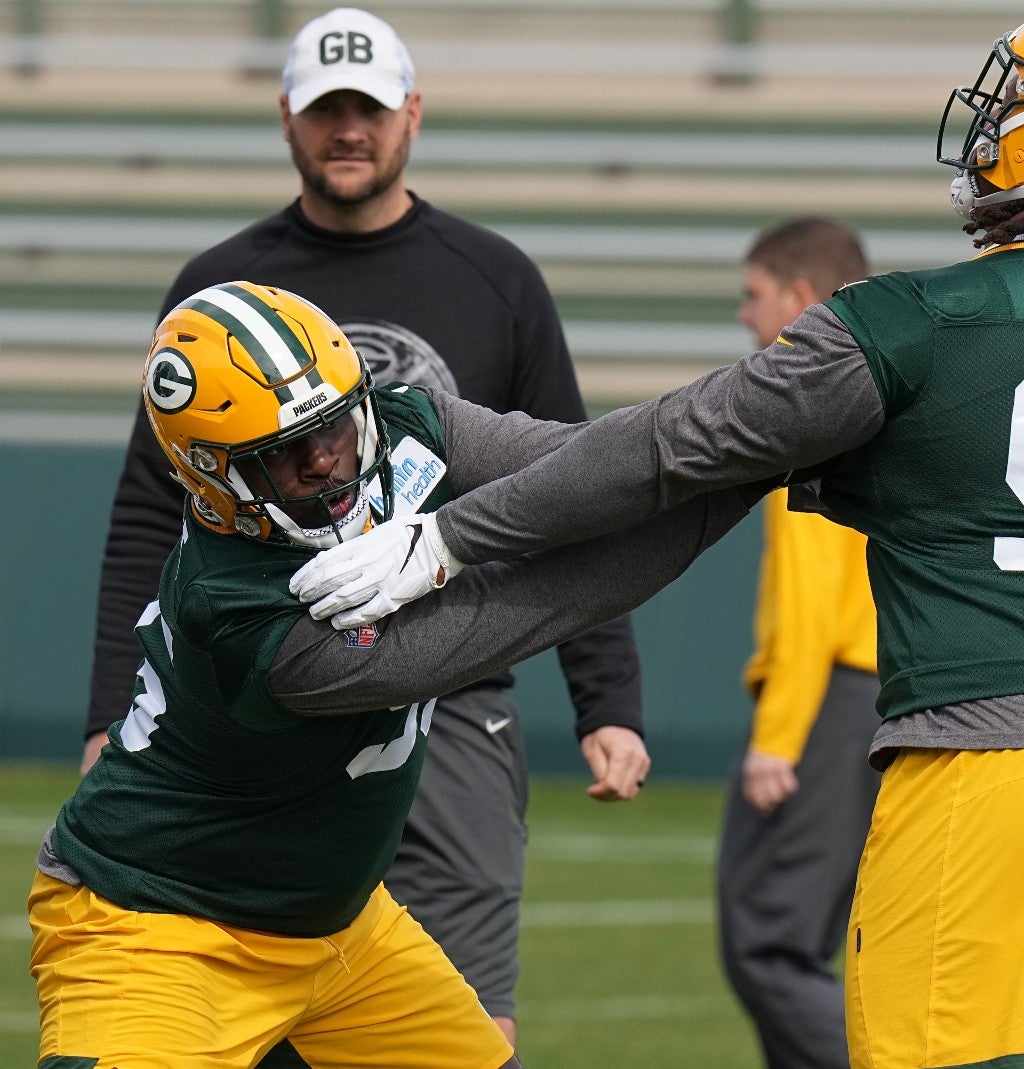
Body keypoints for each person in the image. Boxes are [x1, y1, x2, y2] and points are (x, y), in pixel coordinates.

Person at [294, 2, 1024, 1065]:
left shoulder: (910, 322)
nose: (991, 121)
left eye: (1020, 101)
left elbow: (663, 457)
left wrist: (448, 538)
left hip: (1008, 767)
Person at [80, 7, 648, 1045]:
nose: (350, 131)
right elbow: (145, 514)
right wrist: (102, 711)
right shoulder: (218, 290)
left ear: (411, 116)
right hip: (284, 671)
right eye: (326, 110)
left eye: (369, 110)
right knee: (274, 996)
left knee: (470, 1013)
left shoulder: (494, 276)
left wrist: (607, 700)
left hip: (461, 679)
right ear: (288, 121)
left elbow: (575, 480)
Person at [30, 282, 758, 1069]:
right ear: (213, 477)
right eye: (284, 453)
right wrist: (764, 458)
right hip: (162, 926)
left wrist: (763, 429)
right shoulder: (236, 608)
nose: (324, 460)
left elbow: (585, 468)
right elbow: (542, 601)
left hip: (338, 927)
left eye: (336, 426)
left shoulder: (409, 421)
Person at [718, 217, 879, 1069]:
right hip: (874, 699)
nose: (745, 317)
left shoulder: (815, 409)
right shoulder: (885, 393)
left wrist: (778, 736)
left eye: (755, 297)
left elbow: (811, 598)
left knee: (770, 944)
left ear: (802, 299)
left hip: (827, 704)